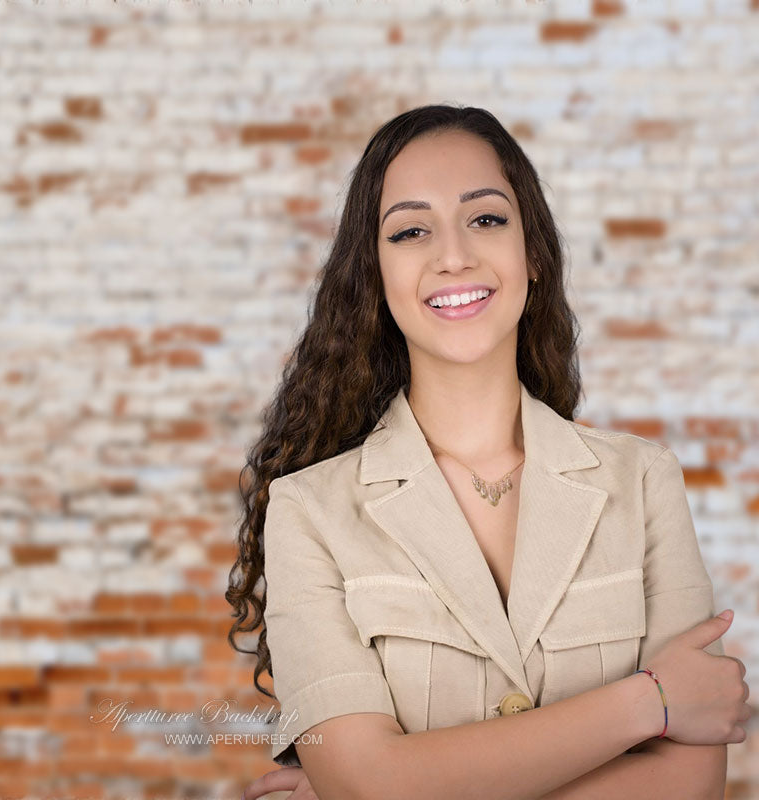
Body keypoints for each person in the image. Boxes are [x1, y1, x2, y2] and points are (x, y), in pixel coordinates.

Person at [227, 104, 751, 800]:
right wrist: (649, 702)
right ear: (375, 276)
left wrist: (396, 785)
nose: (454, 256)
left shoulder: (644, 482)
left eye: (485, 218)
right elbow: (367, 784)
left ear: (532, 253)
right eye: (411, 231)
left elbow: (690, 786)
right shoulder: (308, 511)